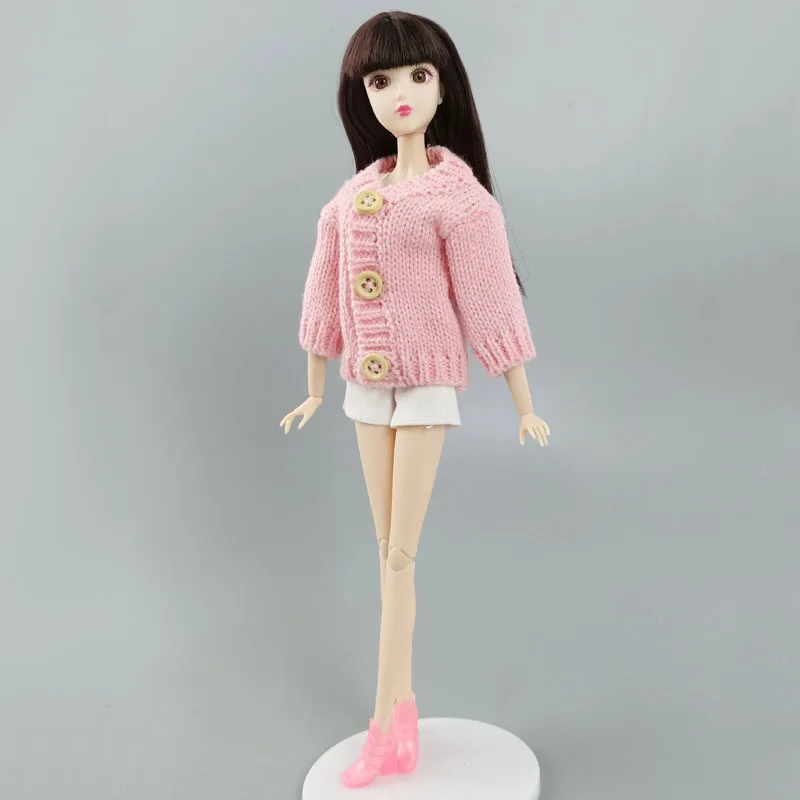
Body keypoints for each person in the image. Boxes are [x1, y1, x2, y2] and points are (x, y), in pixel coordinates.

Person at [279, 10, 551, 789]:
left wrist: (523, 401)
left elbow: (490, 299)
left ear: (443, 87)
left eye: (418, 75)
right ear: (361, 95)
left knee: (400, 558)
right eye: (381, 80)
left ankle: (383, 727)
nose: (400, 92)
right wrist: (314, 386)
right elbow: (324, 291)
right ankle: (402, 722)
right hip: (366, 388)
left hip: (427, 383)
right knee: (385, 554)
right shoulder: (349, 200)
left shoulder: (460, 201)